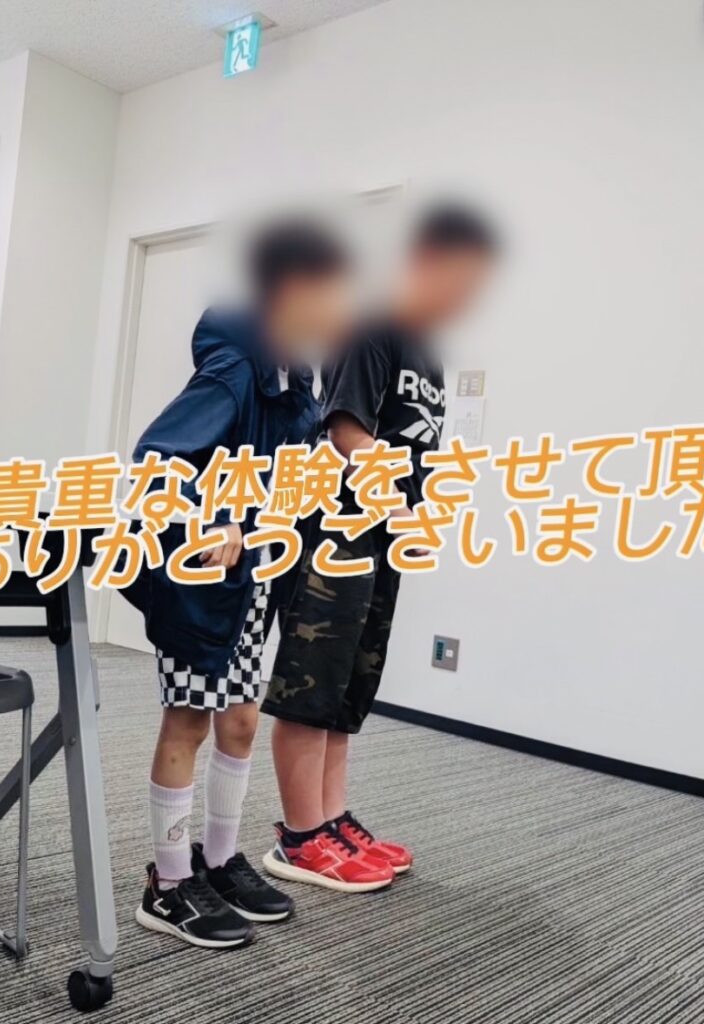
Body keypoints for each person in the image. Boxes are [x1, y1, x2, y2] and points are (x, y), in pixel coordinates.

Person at [260, 203, 498, 892]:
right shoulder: (369, 325)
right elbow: (347, 432)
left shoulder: (427, 350)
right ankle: (299, 837)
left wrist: (419, 514)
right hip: (336, 533)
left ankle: (331, 818)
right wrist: (396, 503)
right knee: (311, 682)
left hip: (382, 540)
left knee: (348, 685)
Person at [130, 218, 353, 946]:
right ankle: (167, 884)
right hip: (198, 584)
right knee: (189, 722)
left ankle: (219, 861)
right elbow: (158, 458)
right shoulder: (233, 372)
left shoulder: (293, 384)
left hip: (252, 585)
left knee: (241, 720)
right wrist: (211, 519)